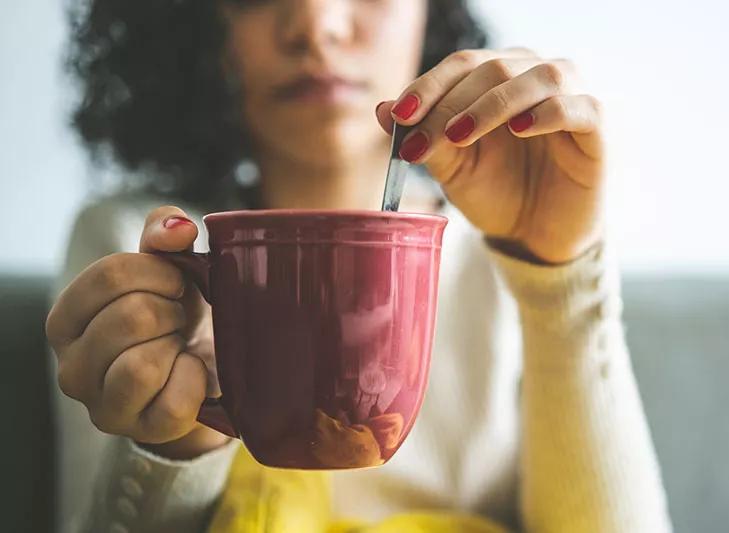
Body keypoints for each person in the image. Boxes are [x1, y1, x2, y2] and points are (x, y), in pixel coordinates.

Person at [46, 0, 671, 531]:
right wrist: (177, 437)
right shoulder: (136, 251)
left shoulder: (505, 251)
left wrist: (558, 276)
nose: (316, 25)